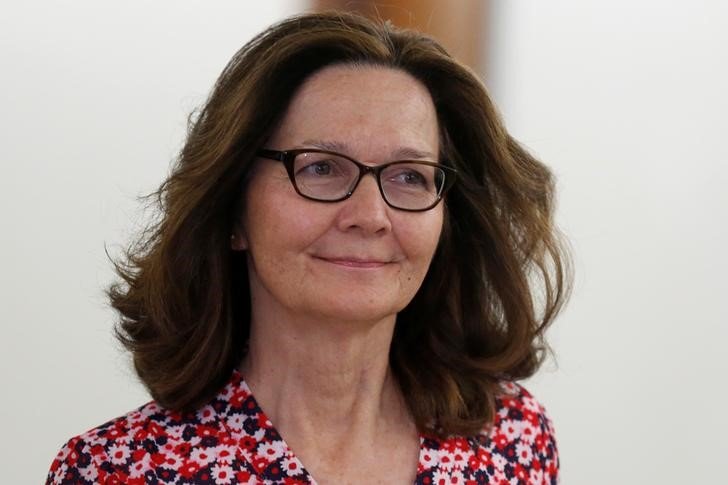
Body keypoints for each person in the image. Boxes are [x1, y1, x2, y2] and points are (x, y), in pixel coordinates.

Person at [47, 11, 570, 485]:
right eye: (320, 168)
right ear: (234, 210)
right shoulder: (118, 470)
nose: (369, 216)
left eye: (409, 176)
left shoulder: (512, 442)